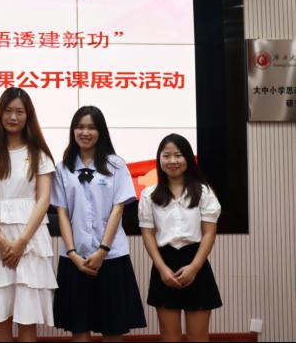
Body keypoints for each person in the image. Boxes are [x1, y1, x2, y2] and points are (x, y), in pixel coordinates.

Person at [51, 105, 146, 341]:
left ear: (101, 131)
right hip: (74, 258)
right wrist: (72, 253)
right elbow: (62, 213)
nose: (85, 132)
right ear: (73, 131)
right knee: (79, 328)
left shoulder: (116, 165)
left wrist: (103, 250)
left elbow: (118, 209)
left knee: (112, 327)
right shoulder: (62, 168)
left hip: (111, 257)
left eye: (91, 127)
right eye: (80, 127)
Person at [0, 87, 58, 342]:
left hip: (31, 239)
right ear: (0, 114)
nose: (13, 117)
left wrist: (22, 242)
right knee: (1, 314)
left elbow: (43, 200)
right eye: (8, 111)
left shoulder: (39, 153)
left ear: (28, 115)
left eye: (19, 112)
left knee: (27, 315)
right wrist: (0, 239)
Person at [138, 134, 222, 342]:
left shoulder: (203, 192)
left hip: (196, 263)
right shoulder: (149, 194)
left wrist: (194, 267)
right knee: (170, 337)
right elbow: (147, 233)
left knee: (198, 337)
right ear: (159, 159)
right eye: (166, 155)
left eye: (178, 155)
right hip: (164, 264)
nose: (172, 160)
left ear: (188, 158)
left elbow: (209, 232)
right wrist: (161, 268)